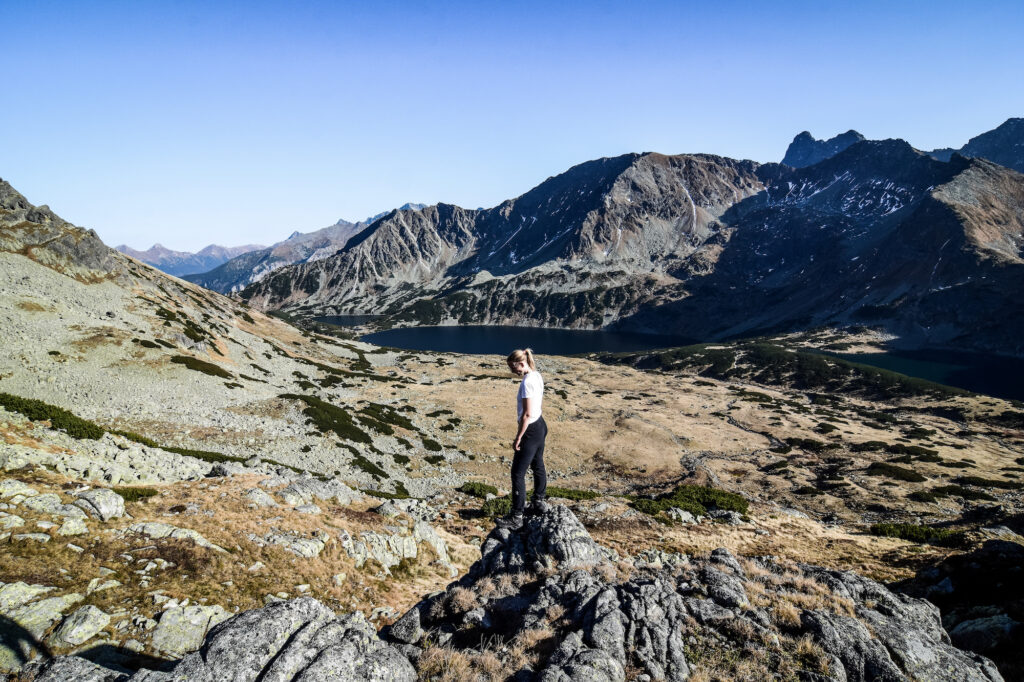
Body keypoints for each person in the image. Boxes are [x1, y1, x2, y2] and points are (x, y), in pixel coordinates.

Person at [497, 348, 548, 530]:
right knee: (538, 464)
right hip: (541, 424)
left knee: (517, 473)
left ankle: (517, 516)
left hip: (531, 429)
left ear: (521, 363)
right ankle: (539, 501)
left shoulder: (527, 382)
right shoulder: (537, 375)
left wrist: (519, 437)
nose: (513, 372)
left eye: (514, 368)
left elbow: (526, 414)